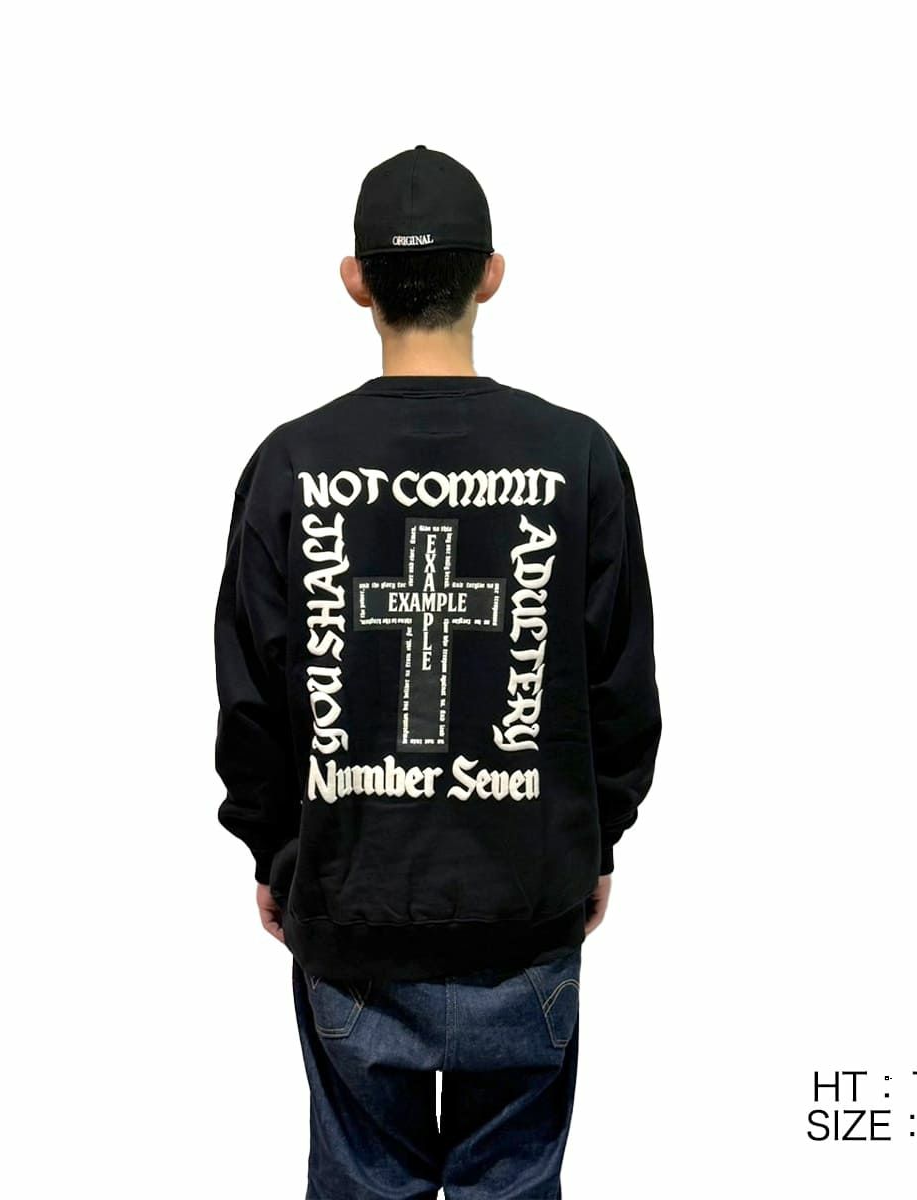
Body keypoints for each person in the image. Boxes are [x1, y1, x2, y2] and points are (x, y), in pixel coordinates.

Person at [213, 145, 662, 1199]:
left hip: (351, 909)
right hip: (527, 911)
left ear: (355, 280)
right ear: (491, 275)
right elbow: (621, 689)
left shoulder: (291, 466)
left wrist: (274, 850)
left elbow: (252, 693)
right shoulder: (578, 459)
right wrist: (597, 841)